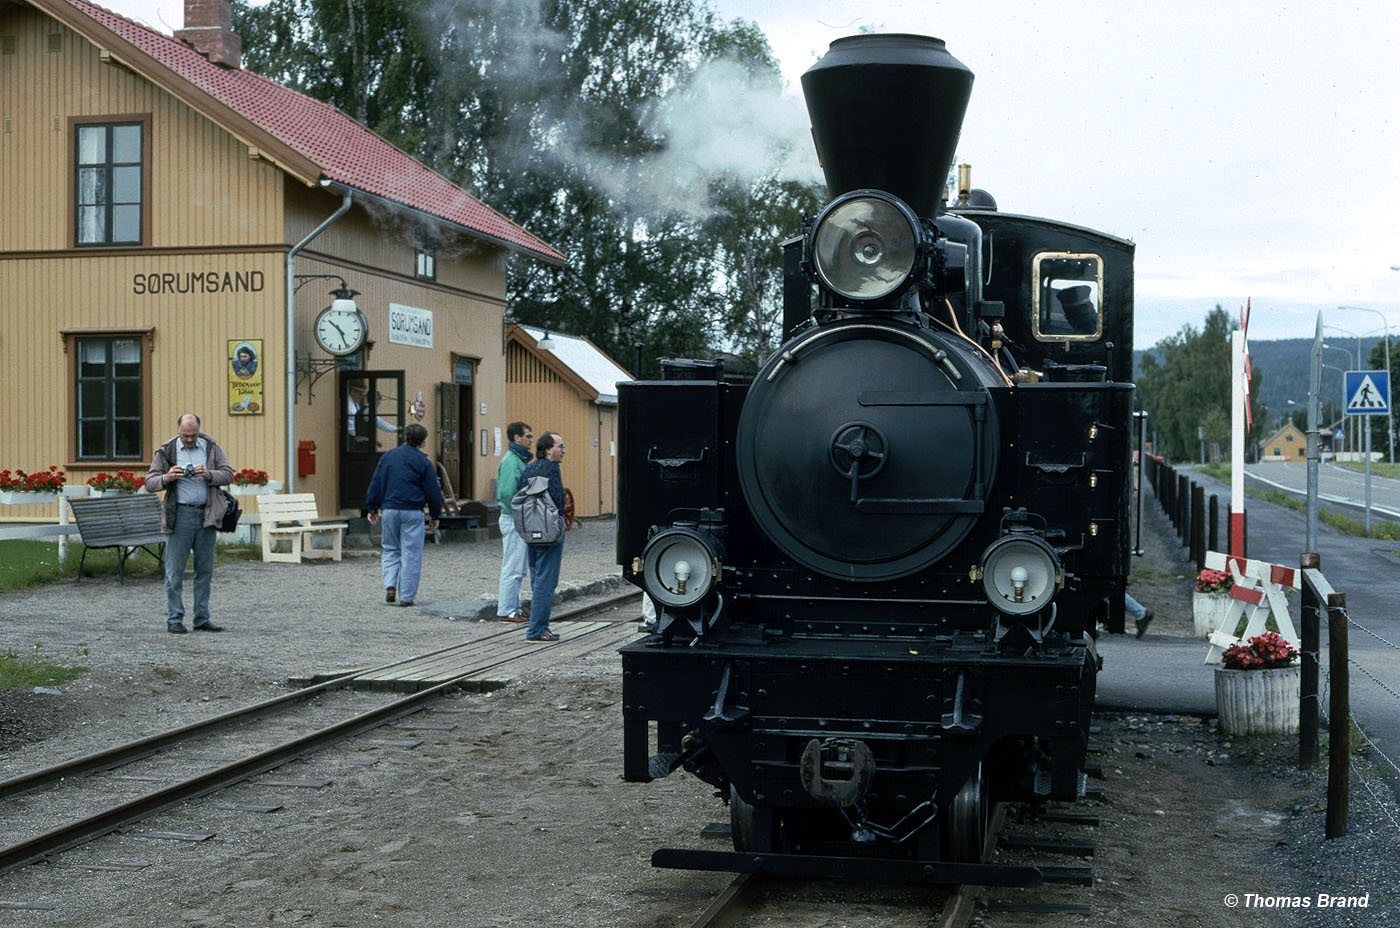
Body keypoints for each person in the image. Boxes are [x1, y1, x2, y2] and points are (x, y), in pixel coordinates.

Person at [145, 413, 235, 633]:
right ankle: (174, 619)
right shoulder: (167, 450)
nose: (189, 440)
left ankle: (201, 618)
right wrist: (168, 478)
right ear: (179, 431)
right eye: (185, 435)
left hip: (207, 515)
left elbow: (229, 475)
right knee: (174, 572)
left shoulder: (211, 447)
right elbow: (150, 482)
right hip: (180, 516)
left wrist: (209, 474)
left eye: (193, 436)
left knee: (204, 571)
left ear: (199, 431)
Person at [364, 423, 442, 607]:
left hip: (390, 509)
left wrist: (372, 508)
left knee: (390, 548)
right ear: (422, 441)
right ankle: (406, 597)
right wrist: (435, 515)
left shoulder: (388, 456)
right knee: (411, 553)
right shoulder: (423, 462)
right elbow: (433, 491)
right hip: (413, 511)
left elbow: (376, 482)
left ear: (404, 437)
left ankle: (390, 586)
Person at [519, 432, 566, 641]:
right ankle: (538, 629)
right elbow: (556, 499)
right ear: (548, 449)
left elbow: (518, 493)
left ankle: (538, 626)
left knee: (537, 577)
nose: (564, 450)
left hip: (530, 529)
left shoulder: (529, 467)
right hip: (549, 530)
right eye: (560, 446)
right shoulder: (551, 469)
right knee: (547, 581)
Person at [495, 421, 533, 623]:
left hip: (516, 517)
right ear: (517, 438)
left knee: (518, 566)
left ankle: (514, 607)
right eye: (528, 436)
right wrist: (522, 508)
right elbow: (508, 492)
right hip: (514, 518)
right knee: (513, 567)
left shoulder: (517, 460)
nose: (531, 440)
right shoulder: (512, 462)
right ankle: (507, 609)